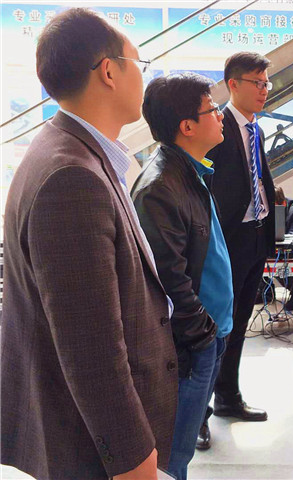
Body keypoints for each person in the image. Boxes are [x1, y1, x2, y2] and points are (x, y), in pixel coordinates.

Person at [0, 8, 177, 479]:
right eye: (139, 63)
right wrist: (133, 461)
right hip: (91, 450)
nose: (144, 77)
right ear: (109, 72)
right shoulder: (71, 177)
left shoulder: (71, 150)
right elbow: (91, 350)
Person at [130, 73, 232, 479]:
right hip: (192, 345)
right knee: (173, 458)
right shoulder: (159, 187)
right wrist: (204, 336)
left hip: (210, 334)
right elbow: (168, 282)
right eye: (213, 109)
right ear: (187, 126)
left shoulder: (189, 170)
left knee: (181, 449)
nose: (220, 115)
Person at [199, 52, 275, 443]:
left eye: (266, 83)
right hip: (225, 239)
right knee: (213, 327)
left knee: (240, 322)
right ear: (233, 84)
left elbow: (258, 181)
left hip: (254, 236)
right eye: (257, 83)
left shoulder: (255, 129)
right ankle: (198, 415)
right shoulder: (216, 126)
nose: (264, 90)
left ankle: (228, 396)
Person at [256, 186, 293, 311]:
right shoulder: (262, 212)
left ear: (283, 204)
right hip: (272, 249)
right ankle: (266, 292)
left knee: (287, 255)